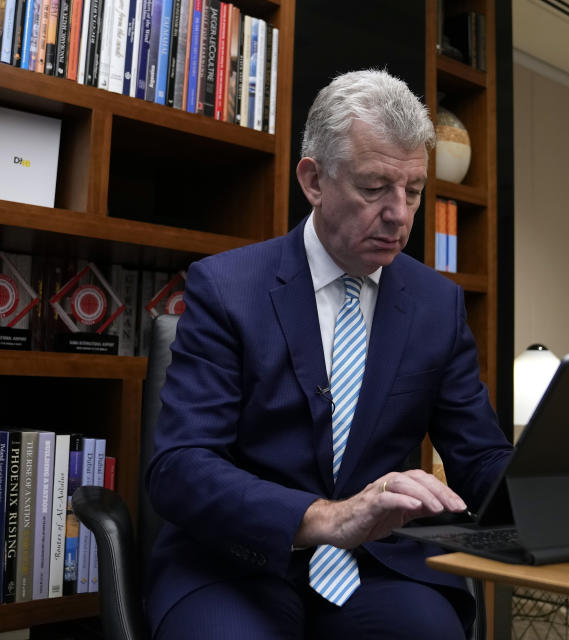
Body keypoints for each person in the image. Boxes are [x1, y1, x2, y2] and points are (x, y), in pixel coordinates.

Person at [144, 69, 513, 639]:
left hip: (382, 567)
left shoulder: (438, 305)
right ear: (313, 180)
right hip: (235, 564)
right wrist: (326, 518)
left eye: (413, 190)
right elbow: (180, 468)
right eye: (374, 188)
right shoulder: (225, 287)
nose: (400, 214)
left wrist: (567, 477)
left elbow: (480, 461)